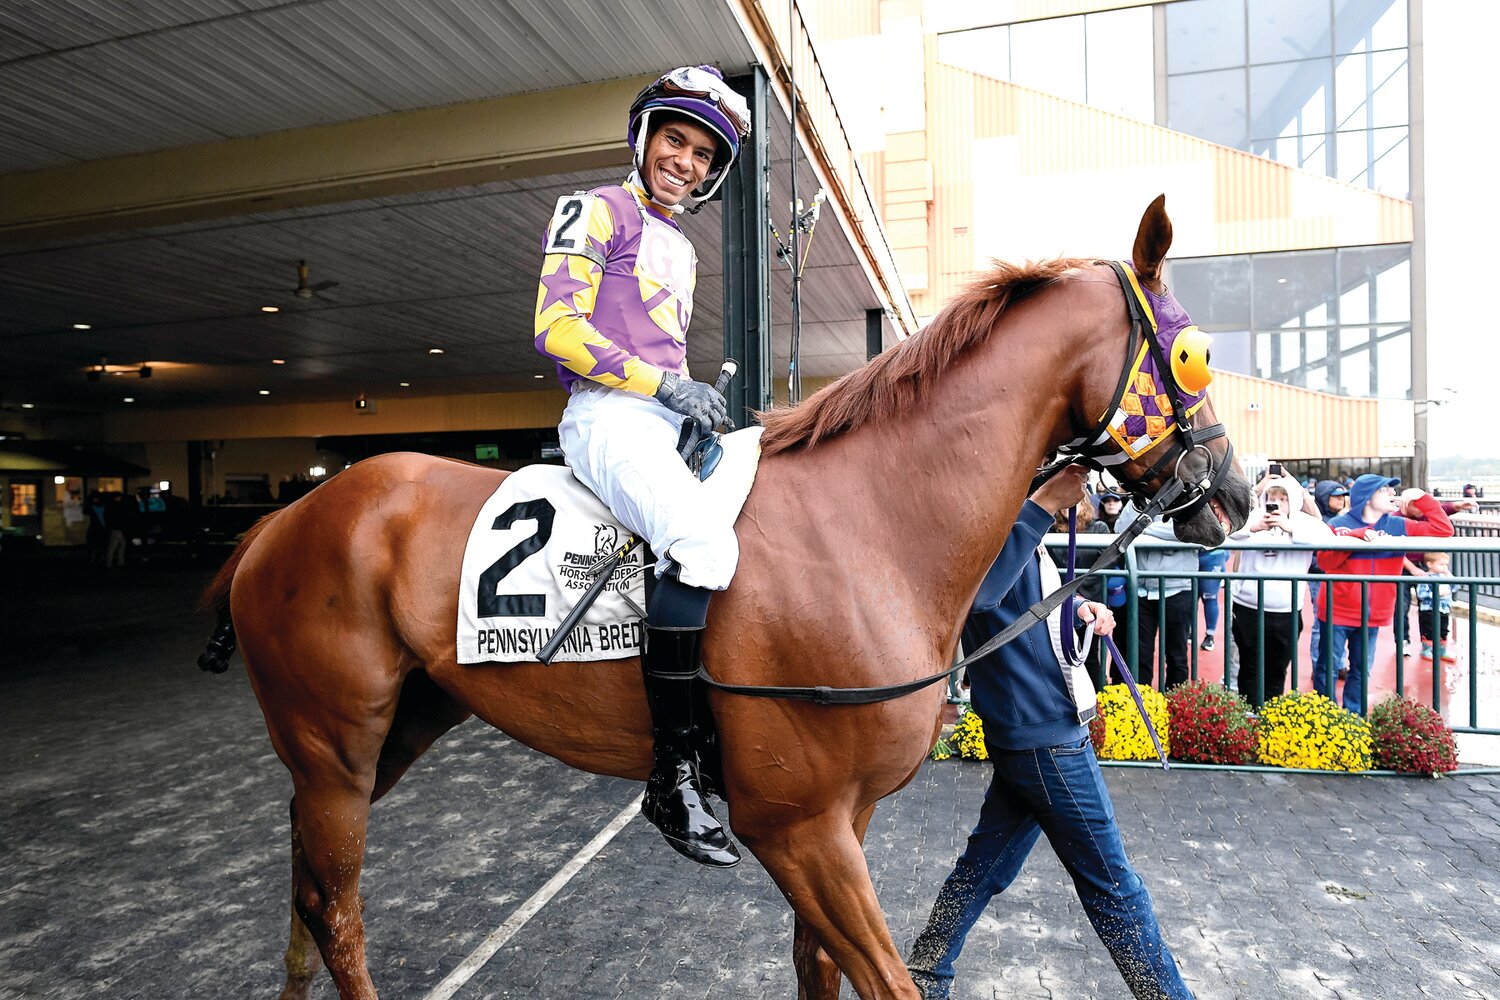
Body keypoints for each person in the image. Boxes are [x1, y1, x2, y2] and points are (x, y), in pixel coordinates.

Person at [532, 65, 752, 867]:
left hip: (659, 419)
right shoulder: (595, 209)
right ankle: (672, 772)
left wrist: (686, 408)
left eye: (701, 153)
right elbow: (556, 327)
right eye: (675, 139)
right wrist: (666, 388)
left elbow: (667, 352)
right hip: (605, 414)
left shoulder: (684, 248)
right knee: (704, 545)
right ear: (645, 135)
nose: (685, 160)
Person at [906, 466, 1194, 1000]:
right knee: (1116, 888)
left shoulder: (1006, 526)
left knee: (983, 867)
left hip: (1032, 735)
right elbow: (983, 595)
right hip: (1047, 741)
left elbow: (1022, 594)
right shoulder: (1002, 524)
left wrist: (1081, 605)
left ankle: (926, 971)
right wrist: (1040, 506)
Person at [1316, 476, 1453, 715]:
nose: (1392, 494)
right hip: (1337, 609)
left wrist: (1420, 497)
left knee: (1362, 669)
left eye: (1393, 489)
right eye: (1384, 490)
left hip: (1374, 613)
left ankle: (1354, 720)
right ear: (1368, 498)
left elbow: (1443, 530)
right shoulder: (1338, 524)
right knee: (1326, 667)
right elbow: (1326, 562)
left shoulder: (1399, 525)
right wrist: (1355, 537)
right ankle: (1326, 718)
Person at [1227, 475, 1331, 706]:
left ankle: (1270, 715)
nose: (1276, 503)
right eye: (1272, 497)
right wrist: (1254, 528)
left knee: (1277, 669)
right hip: (1248, 607)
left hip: (1285, 610)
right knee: (1249, 667)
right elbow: (1225, 531)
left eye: (1282, 499)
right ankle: (1248, 716)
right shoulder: (1251, 517)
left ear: (1292, 501)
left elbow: (1328, 539)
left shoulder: (1304, 522)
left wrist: (1291, 530)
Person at [1115, 509, 1196, 689]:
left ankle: (1177, 709)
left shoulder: (1187, 498)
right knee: (1139, 655)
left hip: (1177, 589)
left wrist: (1141, 529)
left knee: (1177, 655)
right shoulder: (1137, 499)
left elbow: (1191, 531)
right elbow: (1120, 529)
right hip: (1141, 591)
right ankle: (1140, 709)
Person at [1308, 480, 1351, 680]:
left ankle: (1339, 664)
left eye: (1343, 496)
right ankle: (1318, 665)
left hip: (1337, 577)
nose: (1341, 500)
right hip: (1320, 576)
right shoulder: (1317, 522)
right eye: (1336, 496)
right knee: (1320, 623)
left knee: (1338, 622)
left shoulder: (1342, 520)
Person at [1414, 551, 1456, 663]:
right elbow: (1421, 594)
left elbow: (1455, 587)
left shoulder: (1445, 577)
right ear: (1430, 564)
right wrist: (1436, 594)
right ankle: (1427, 650)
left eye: (1446, 564)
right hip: (1429, 609)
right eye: (1441, 564)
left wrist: (1450, 576)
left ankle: (1442, 650)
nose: (1444, 567)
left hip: (1443, 608)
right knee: (1429, 630)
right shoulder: (1425, 578)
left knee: (1443, 629)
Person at [1196, 547, 1230, 651]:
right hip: (1189, 553)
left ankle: (1210, 636)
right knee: (1188, 595)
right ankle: (1189, 630)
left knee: (1209, 597)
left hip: (1213, 554)